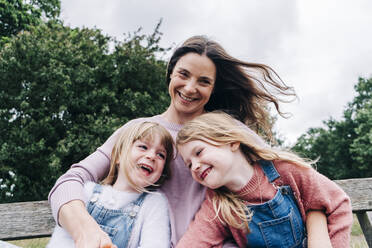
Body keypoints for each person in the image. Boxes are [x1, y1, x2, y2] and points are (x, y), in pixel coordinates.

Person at [48, 35, 329, 248]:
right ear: (171, 72)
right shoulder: (139, 133)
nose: (190, 87)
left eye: (204, 81)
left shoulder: (225, 130)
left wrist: (319, 237)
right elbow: (71, 180)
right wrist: (83, 227)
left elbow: (300, 184)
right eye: (183, 74)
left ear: (213, 88)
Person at [175, 111, 353, 248]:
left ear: (231, 142)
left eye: (198, 152)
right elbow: (192, 242)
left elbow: (337, 204)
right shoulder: (217, 205)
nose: (195, 166)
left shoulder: (284, 170)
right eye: (189, 164)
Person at [47, 121, 174, 248]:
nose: (152, 156)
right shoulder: (86, 191)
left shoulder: (154, 203)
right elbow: (60, 241)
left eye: (160, 155)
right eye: (143, 147)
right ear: (117, 156)